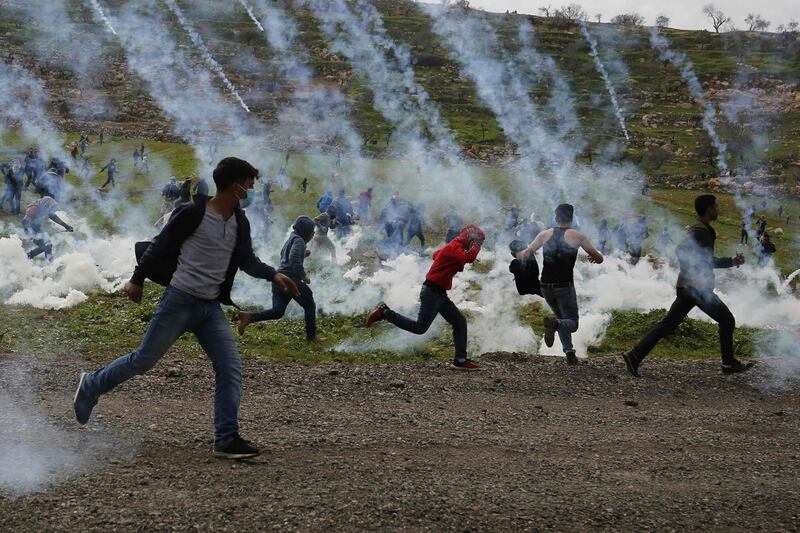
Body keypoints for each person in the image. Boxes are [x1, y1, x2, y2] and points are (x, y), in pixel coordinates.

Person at [72, 157, 299, 459]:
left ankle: (226, 438)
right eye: (249, 185)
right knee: (143, 360)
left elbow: (247, 261)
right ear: (235, 187)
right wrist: (137, 279)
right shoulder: (192, 214)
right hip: (179, 301)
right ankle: (91, 384)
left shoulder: (239, 222)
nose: (253, 190)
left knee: (229, 368)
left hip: (211, 309)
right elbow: (160, 244)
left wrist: (274, 274)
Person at [622, 194, 752, 377]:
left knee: (667, 325)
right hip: (696, 288)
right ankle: (728, 363)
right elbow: (695, 256)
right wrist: (728, 262)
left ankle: (635, 355)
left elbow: (693, 255)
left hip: (689, 287)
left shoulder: (701, 229)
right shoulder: (700, 230)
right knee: (727, 320)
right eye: (716, 206)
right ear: (708, 209)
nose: (718, 209)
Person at [366, 225, 485, 370]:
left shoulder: (454, 246)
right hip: (433, 293)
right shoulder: (455, 246)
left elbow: (436, 255)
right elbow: (468, 258)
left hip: (438, 293)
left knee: (459, 322)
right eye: (477, 241)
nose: (477, 245)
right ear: (470, 238)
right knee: (420, 328)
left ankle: (460, 360)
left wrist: (446, 261)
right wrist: (475, 247)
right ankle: (384, 312)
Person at [517, 204, 604, 366]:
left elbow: (526, 254)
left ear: (556, 218)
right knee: (571, 323)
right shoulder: (578, 237)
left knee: (562, 318)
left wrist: (515, 252)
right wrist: (594, 258)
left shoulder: (544, 235)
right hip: (564, 286)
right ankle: (555, 325)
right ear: (571, 218)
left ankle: (570, 353)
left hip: (545, 285)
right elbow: (599, 258)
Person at [238, 216, 322, 341]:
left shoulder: (292, 238)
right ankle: (312, 336)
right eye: (312, 231)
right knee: (309, 304)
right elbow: (293, 258)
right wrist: (303, 275)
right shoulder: (299, 241)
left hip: (278, 279)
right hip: (290, 279)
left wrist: (303, 254)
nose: (313, 233)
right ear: (305, 231)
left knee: (278, 311)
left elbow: (285, 255)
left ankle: (249, 317)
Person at [22, 196, 74, 260]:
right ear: (46, 205)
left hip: (36, 229)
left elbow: (54, 217)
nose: (51, 210)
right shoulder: (33, 209)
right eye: (50, 208)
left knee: (47, 246)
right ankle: (49, 264)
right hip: (30, 230)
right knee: (47, 245)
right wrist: (32, 233)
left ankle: (29, 256)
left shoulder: (44, 208)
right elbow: (25, 222)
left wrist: (66, 226)